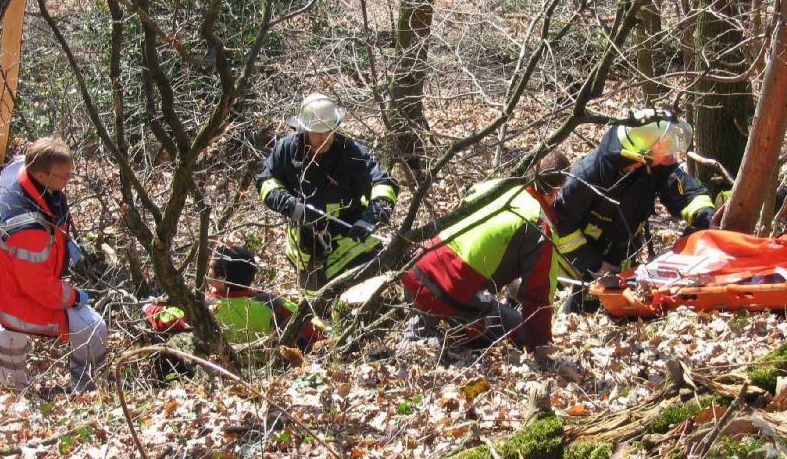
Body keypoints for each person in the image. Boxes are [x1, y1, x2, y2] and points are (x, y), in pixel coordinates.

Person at [402, 149, 570, 351]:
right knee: (520, 328)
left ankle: (424, 328)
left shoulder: (494, 187)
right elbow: (538, 299)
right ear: (557, 190)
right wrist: (542, 348)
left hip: (416, 273)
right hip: (454, 298)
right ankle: (445, 337)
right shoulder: (539, 224)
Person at [553, 109, 715, 312]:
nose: (671, 156)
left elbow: (683, 189)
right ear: (640, 156)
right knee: (574, 307)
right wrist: (594, 265)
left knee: (614, 310)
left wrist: (707, 217)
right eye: (664, 147)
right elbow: (559, 223)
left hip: (620, 254)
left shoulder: (653, 165)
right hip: (576, 257)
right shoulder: (587, 176)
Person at [0, 137, 106, 393]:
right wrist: (74, 296)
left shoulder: (18, 169)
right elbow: (39, 288)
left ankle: (11, 386)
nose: (70, 179)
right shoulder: (25, 227)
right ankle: (85, 390)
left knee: (10, 331)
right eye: (63, 176)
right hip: (9, 295)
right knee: (93, 326)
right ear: (41, 174)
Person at [257, 93, 399, 294]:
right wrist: (288, 204)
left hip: (351, 243)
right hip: (308, 251)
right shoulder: (287, 150)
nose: (324, 137)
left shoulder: (350, 152)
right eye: (317, 132)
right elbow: (266, 181)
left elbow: (383, 183)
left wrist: (371, 217)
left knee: (370, 297)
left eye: (329, 130)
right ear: (304, 129)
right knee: (316, 310)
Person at [143, 244, 322, 351]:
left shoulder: (201, 306)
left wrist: (148, 307)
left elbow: (163, 319)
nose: (206, 270)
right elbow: (316, 329)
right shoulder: (273, 304)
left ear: (222, 277)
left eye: (211, 267)